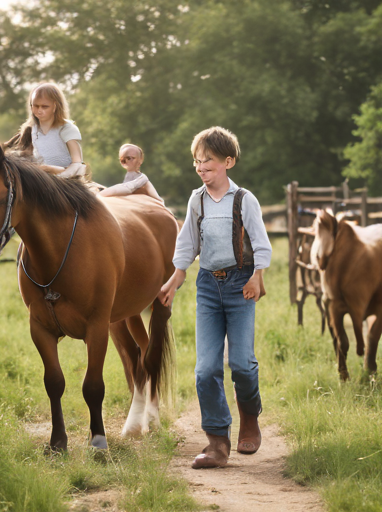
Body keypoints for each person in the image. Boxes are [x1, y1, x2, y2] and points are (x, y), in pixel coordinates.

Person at [158, 126, 272, 469]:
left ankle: (249, 417)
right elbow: (188, 242)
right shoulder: (198, 200)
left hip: (241, 287)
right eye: (196, 161)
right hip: (208, 287)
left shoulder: (244, 200)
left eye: (207, 161)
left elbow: (262, 242)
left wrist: (257, 276)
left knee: (241, 364)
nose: (201, 167)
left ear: (228, 162)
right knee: (206, 370)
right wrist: (177, 274)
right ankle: (217, 442)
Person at [5, 82, 86, 178]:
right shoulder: (30, 130)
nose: (39, 110)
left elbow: (78, 165)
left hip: (66, 181)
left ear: (55, 106)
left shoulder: (67, 128)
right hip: (40, 179)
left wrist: (59, 176)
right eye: (36, 106)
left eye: (45, 107)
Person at [99, 143, 163, 202]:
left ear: (140, 160)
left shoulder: (142, 178)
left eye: (132, 158)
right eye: (123, 159)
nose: (127, 161)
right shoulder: (128, 175)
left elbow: (128, 188)